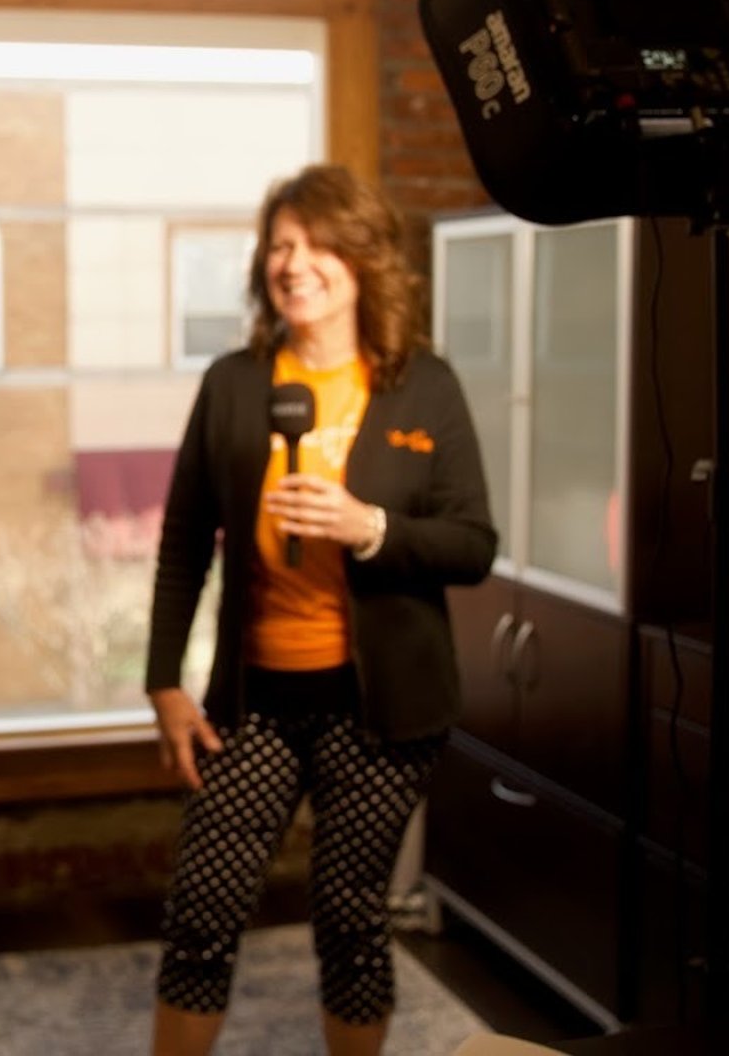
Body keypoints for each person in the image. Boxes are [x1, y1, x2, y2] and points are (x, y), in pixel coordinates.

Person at [144, 164, 496, 1056]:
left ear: (365, 257)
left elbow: (472, 543)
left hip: (383, 711)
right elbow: (185, 541)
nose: (291, 262)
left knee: (348, 915)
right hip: (254, 700)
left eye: (315, 243)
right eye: (279, 244)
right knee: (202, 909)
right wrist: (164, 686)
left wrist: (368, 526)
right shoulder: (233, 383)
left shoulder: (425, 386)